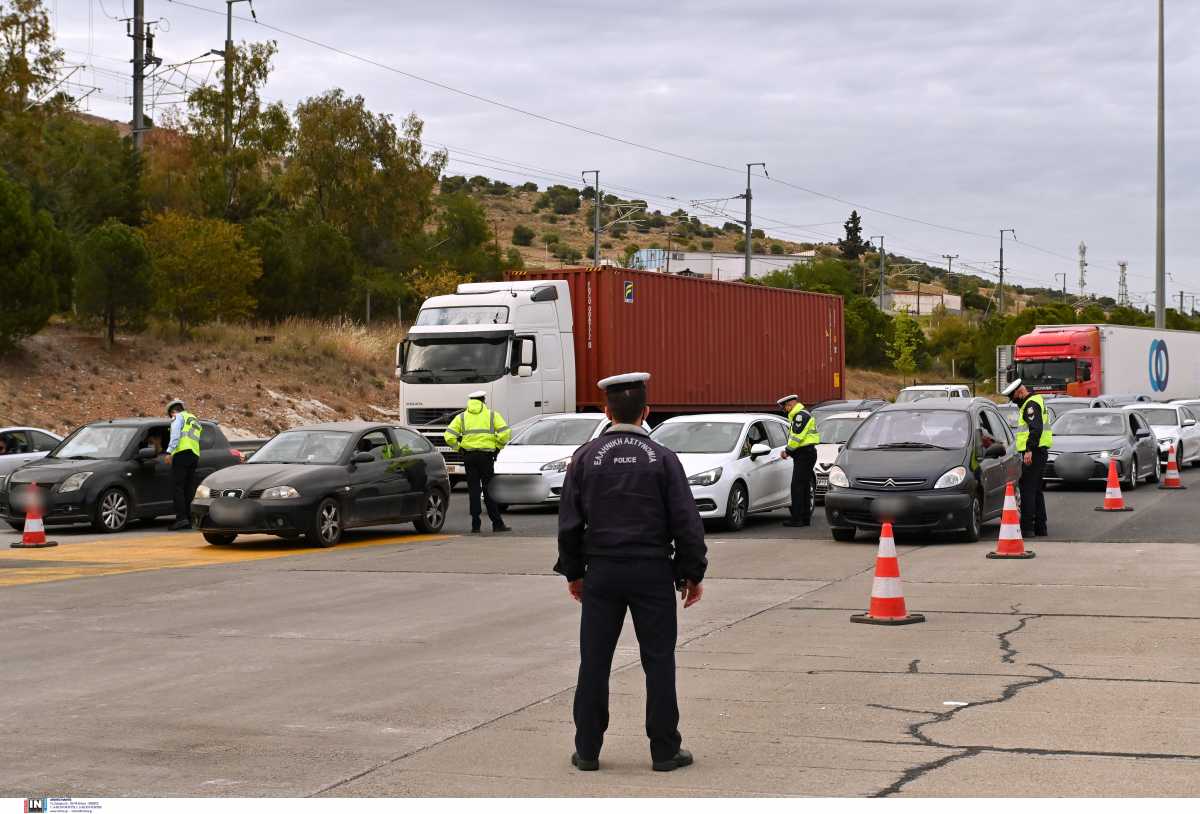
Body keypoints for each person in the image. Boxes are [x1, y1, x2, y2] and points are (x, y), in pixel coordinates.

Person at [556, 372, 708, 773]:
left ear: (606, 411)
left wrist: (573, 571)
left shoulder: (585, 457)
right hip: (652, 571)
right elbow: (687, 522)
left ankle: (587, 750)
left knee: (594, 661)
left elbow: (569, 523)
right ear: (646, 412)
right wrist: (691, 572)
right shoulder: (663, 458)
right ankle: (664, 751)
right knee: (658, 660)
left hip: (602, 571)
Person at [444, 390, 512, 533]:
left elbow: (449, 436)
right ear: (483, 401)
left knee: (473, 490)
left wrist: (459, 449)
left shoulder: (462, 417)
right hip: (486, 457)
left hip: (469, 457)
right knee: (489, 489)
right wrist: (497, 447)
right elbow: (506, 433)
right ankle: (497, 523)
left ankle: (475, 524)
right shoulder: (492, 415)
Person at [1003, 378, 1052, 537]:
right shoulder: (1035, 401)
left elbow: (1035, 429)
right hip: (1039, 451)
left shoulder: (1030, 405)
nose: (1014, 401)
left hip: (1034, 452)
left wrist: (1029, 449)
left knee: (1027, 489)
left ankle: (1027, 528)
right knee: (1036, 490)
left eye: (1014, 397)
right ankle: (1040, 527)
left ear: (1020, 392)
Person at [777, 393, 820, 527]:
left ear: (790, 404)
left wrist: (787, 451)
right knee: (805, 486)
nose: (785, 410)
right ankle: (805, 518)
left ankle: (797, 519)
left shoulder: (800, 415)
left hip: (804, 454)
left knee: (797, 487)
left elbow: (797, 436)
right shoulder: (802, 414)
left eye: (785, 407)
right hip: (806, 453)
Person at [165, 398, 202, 531]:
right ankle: (190, 518)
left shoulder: (178, 417)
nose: (171, 417)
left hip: (182, 453)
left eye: (170, 415)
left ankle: (181, 519)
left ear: (173, 411)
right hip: (194, 454)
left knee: (178, 487)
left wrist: (169, 452)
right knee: (188, 487)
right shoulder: (194, 418)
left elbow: (175, 435)